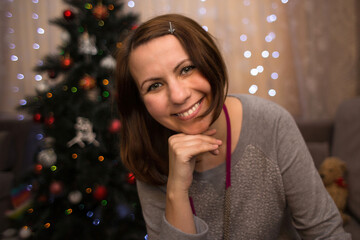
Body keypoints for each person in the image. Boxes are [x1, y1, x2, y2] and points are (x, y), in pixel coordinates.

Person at [115, 14, 351, 240]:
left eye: (186, 69)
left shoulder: (270, 121)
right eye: (154, 85)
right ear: (140, 102)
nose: (178, 96)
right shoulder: (147, 153)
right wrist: (176, 191)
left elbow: (325, 232)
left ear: (211, 63)